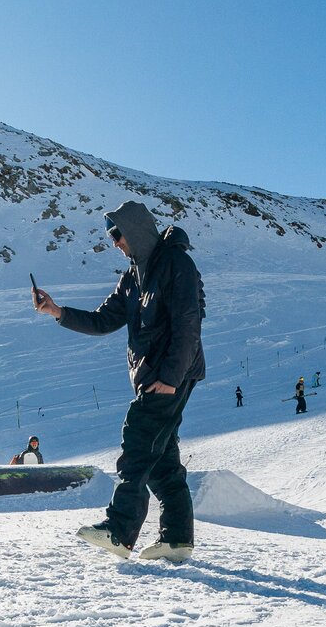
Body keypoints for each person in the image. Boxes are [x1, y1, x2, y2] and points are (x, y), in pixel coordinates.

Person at [33, 201, 204, 563]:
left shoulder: (176, 264)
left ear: (137, 230)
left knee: (138, 444)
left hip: (170, 376)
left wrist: (171, 378)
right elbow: (102, 321)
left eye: (118, 234)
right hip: (151, 378)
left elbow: (189, 324)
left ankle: (120, 530)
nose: (115, 243)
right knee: (162, 461)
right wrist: (58, 311)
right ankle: (176, 539)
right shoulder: (131, 278)